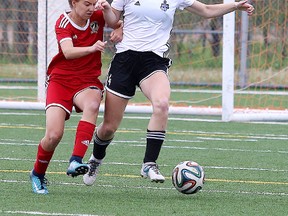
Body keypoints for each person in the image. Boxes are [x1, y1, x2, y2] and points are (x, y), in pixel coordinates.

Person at [83, 0, 255, 186]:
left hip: (154, 62)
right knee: (109, 127)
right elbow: (112, 20)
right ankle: (96, 159)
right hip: (125, 60)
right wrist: (108, 9)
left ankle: (149, 164)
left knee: (162, 104)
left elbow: (206, 10)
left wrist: (235, 6)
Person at [29, 0, 122, 194]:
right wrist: (91, 48)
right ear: (74, 3)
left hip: (87, 80)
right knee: (54, 135)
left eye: (94, 3)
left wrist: (110, 15)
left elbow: (117, 22)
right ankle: (37, 174)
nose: (91, 8)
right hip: (60, 81)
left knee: (93, 104)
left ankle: (76, 160)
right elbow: (68, 52)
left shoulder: (97, 16)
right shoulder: (63, 22)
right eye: (87, 4)